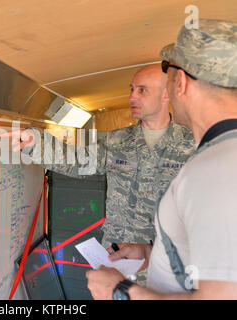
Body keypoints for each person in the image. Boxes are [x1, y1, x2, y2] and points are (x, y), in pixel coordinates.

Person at [2, 64, 195, 286]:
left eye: (142, 90)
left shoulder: (193, 144)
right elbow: (78, 161)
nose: (132, 96)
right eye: (131, 89)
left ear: (166, 94)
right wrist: (36, 143)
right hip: (117, 259)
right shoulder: (117, 141)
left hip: (170, 264)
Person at [86, 18, 237, 300]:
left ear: (179, 82)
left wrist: (118, 292)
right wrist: (149, 253)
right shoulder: (220, 156)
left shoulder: (217, 169)